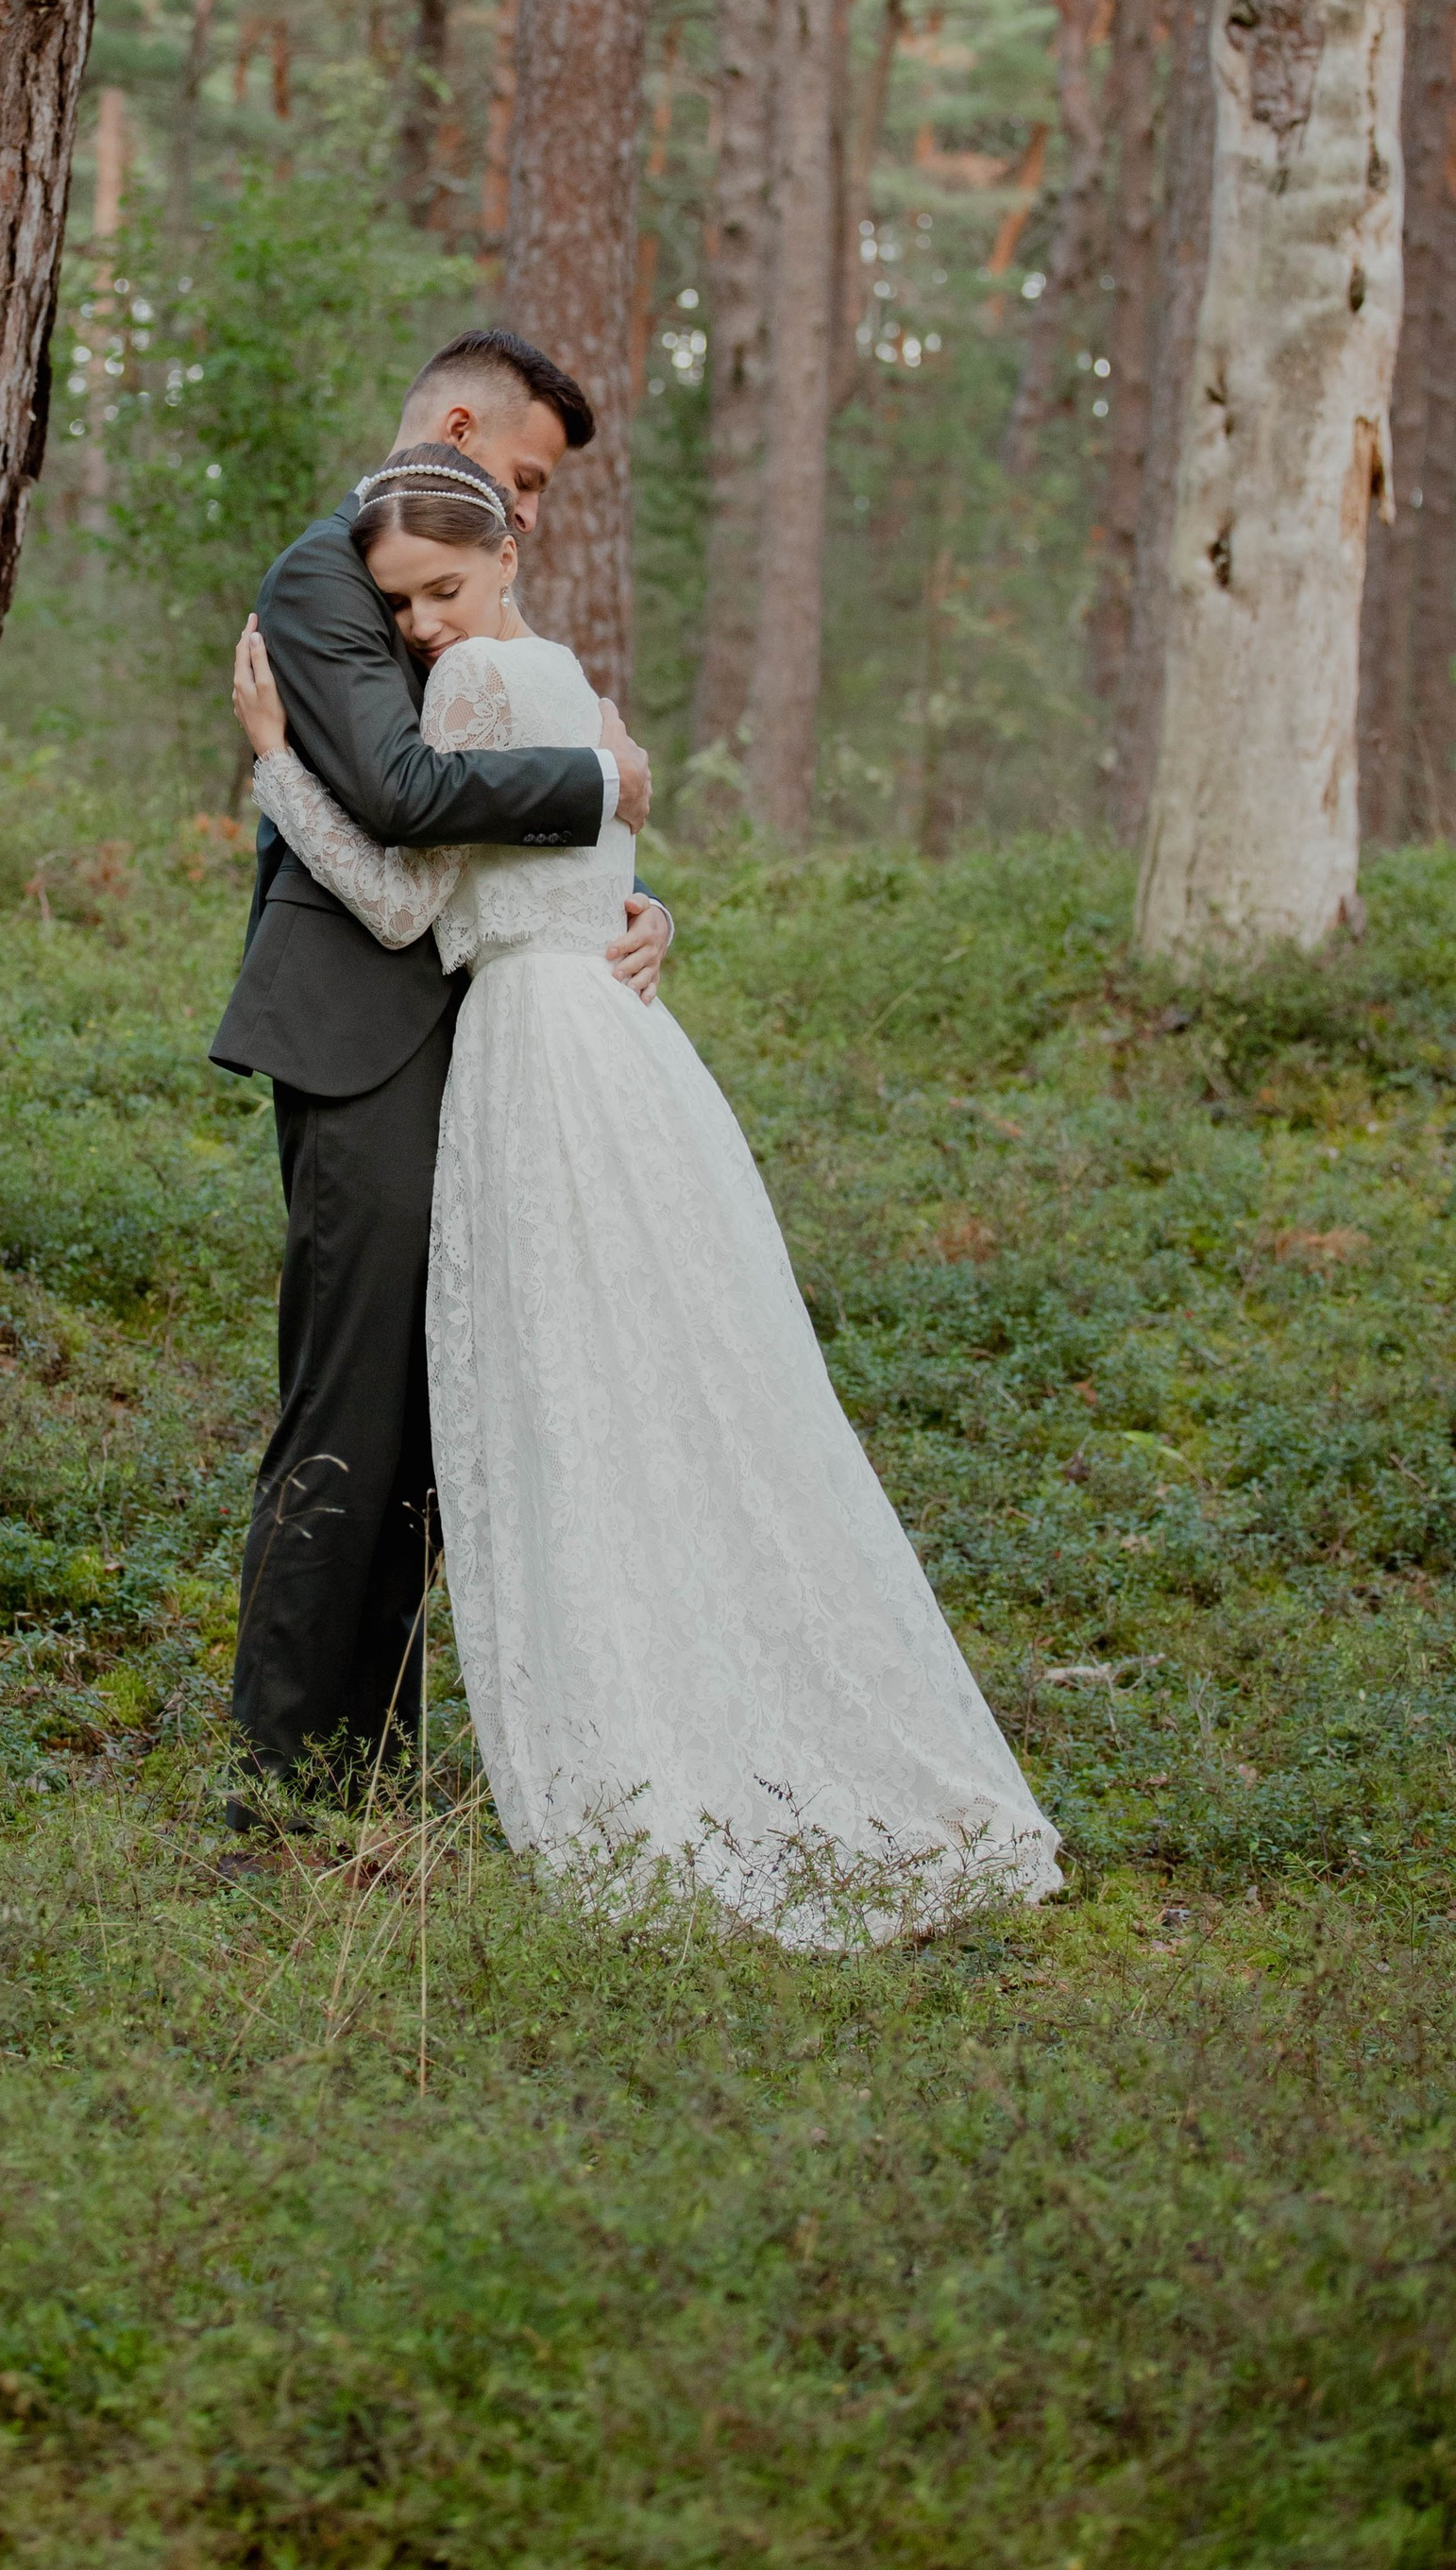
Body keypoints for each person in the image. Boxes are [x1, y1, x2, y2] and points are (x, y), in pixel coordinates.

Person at [229, 438, 1060, 1946]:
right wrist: (625, 847)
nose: (418, 623)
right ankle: (694, 1709)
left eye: (443, 588)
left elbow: (415, 872)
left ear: (503, 559)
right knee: (651, 1384)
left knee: (554, 1395)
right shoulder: (563, 681)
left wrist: (275, 767)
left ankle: (610, 1742)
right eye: (404, 597)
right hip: (610, 1053)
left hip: (531, 1054)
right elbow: (565, 838)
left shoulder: (487, 684)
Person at [209, 329, 671, 1813]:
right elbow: (408, 804)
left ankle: (372, 1763)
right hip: (358, 1035)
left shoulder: (463, 609)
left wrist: (632, 906)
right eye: (523, 477)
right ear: (461, 428)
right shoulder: (327, 578)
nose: (526, 514)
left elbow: (506, 839)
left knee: (432, 1409)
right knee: (345, 1404)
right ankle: (276, 1783)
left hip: (486, 1043)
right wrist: (600, 780)